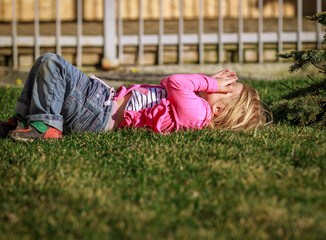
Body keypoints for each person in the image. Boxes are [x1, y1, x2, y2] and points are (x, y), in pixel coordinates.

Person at [0, 53, 271, 141]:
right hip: (100, 103)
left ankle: (46, 127)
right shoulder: (199, 106)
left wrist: (209, 81)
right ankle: (25, 121)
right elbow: (180, 85)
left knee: (52, 63)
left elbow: (175, 82)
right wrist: (210, 83)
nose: (218, 85)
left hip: (99, 113)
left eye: (223, 89)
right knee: (44, 64)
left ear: (220, 111)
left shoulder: (199, 114)